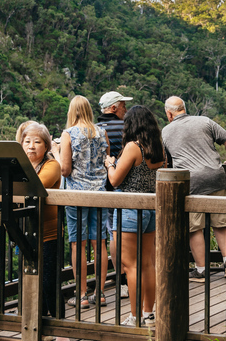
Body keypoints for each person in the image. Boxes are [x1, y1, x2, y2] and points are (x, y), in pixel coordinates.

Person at [162, 96, 226, 281]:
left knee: (194, 227)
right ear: (184, 108)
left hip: (191, 180)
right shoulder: (205, 121)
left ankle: (202, 270)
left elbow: (166, 160)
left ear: (169, 113)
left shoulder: (165, 131)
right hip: (215, 175)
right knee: (220, 222)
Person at [106, 105, 164, 327]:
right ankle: (148, 313)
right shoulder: (159, 148)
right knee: (147, 264)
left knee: (131, 265)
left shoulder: (133, 147)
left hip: (130, 209)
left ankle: (135, 316)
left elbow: (115, 181)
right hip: (151, 208)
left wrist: (110, 164)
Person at [51, 95, 110, 309]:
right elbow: (106, 161)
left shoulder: (68, 134)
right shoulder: (101, 132)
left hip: (76, 194)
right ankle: (101, 292)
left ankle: (82, 294)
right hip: (100, 194)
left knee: (78, 243)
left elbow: (65, 169)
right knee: (99, 242)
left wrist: (56, 152)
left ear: (71, 112)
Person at [18, 122, 62, 318]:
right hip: (24, 232)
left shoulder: (52, 165)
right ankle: (36, 324)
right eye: (27, 141)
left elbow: (37, 185)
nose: (31, 146)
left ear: (46, 146)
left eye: (37, 141)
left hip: (48, 234)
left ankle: (61, 327)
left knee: (48, 282)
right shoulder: (20, 166)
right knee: (28, 280)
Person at [96, 90, 133, 298]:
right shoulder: (127, 128)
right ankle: (130, 278)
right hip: (127, 188)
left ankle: (120, 278)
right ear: (113, 108)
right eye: (122, 106)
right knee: (127, 233)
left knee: (112, 234)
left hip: (104, 189)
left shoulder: (95, 129)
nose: (125, 110)